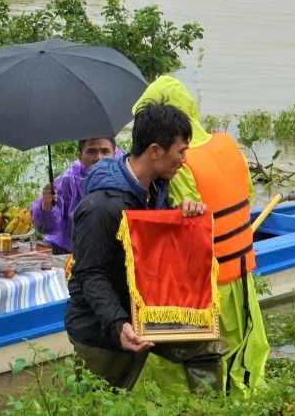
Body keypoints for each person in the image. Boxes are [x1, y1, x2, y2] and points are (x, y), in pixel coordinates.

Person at [64, 102, 225, 392]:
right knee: (100, 403)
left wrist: (181, 214)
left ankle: (211, 408)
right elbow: (90, 274)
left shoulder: (155, 188)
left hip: (150, 314)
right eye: (181, 151)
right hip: (102, 326)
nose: (184, 160)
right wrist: (118, 324)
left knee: (206, 346)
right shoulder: (101, 207)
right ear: (154, 151)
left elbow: (156, 245)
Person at [132, 76, 269, 398]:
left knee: (196, 361)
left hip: (205, 286)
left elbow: (186, 225)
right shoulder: (226, 144)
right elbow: (247, 194)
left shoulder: (178, 162)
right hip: (241, 275)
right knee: (243, 352)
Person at [29, 137, 119, 254]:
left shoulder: (124, 178)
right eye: (91, 151)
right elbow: (47, 228)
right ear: (80, 156)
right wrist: (46, 208)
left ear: (114, 154)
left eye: (105, 151)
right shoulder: (68, 180)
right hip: (68, 251)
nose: (98, 158)